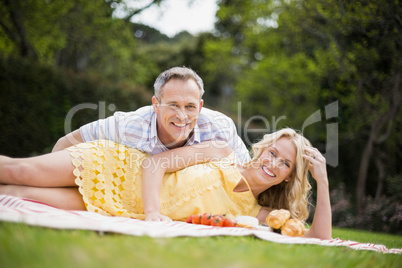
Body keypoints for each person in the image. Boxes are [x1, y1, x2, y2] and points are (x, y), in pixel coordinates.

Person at [0, 128, 331, 240]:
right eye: (273, 153)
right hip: (116, 168)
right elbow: (155, 163)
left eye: (284, 163)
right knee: (20, 171)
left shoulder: (259, 214)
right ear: (264, 148)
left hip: (121, 208)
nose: (272, 163)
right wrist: (154, 213)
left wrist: (323, 182)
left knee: (21, 195)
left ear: (289, 175)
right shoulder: (222, 152)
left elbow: (320, 239)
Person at [52, 66, 250, 164]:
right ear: (156, 104)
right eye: (173, 105)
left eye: (190, 106)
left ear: (200, 106)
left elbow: (248, 171)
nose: (182, 116)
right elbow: (67, 142)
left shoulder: (220, 127)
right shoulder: (129, 125)